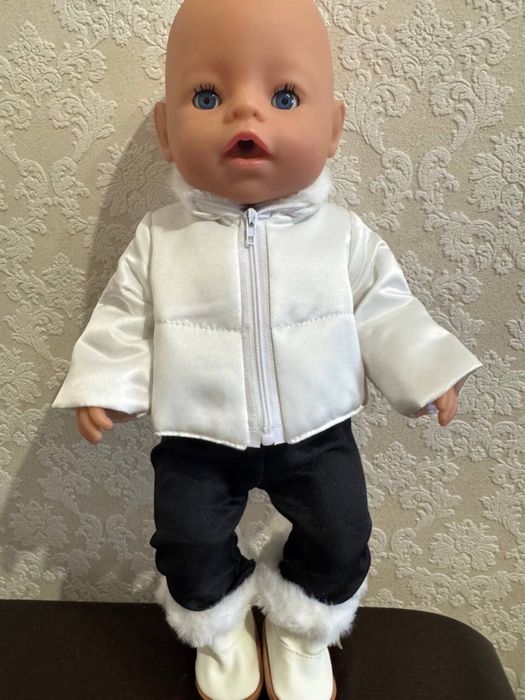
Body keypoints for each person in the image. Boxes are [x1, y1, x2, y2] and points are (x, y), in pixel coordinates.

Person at [52, 1, 482, 698]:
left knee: (342, 534)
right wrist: (107, 383)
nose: (244, 112)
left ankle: (300, 624)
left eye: (284, 96)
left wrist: (425, 368)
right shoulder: (161, 239)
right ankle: (219, 626)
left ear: (332, 128)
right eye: (206, 96)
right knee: (185, 542)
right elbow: (125, 317)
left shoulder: (342, 237)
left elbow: (387, 309)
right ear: (166, 130)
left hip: (317, 431)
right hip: (197, 437)